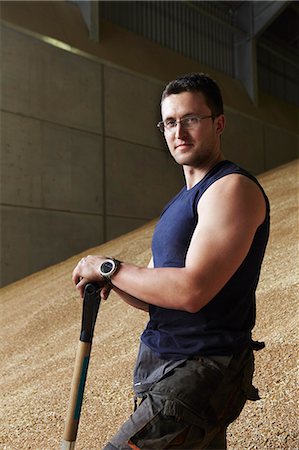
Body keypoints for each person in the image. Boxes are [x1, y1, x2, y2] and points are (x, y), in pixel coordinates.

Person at [72, 73, 270, 450]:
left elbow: (192, 291)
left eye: (192, 119)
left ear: (219, 123)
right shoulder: (181, 201)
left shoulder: (230, 189)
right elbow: (155, 295)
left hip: (199, 370)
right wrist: (112, 281)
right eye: (170, 122)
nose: (179, 131)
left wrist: (110, 267)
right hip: (166, 366)